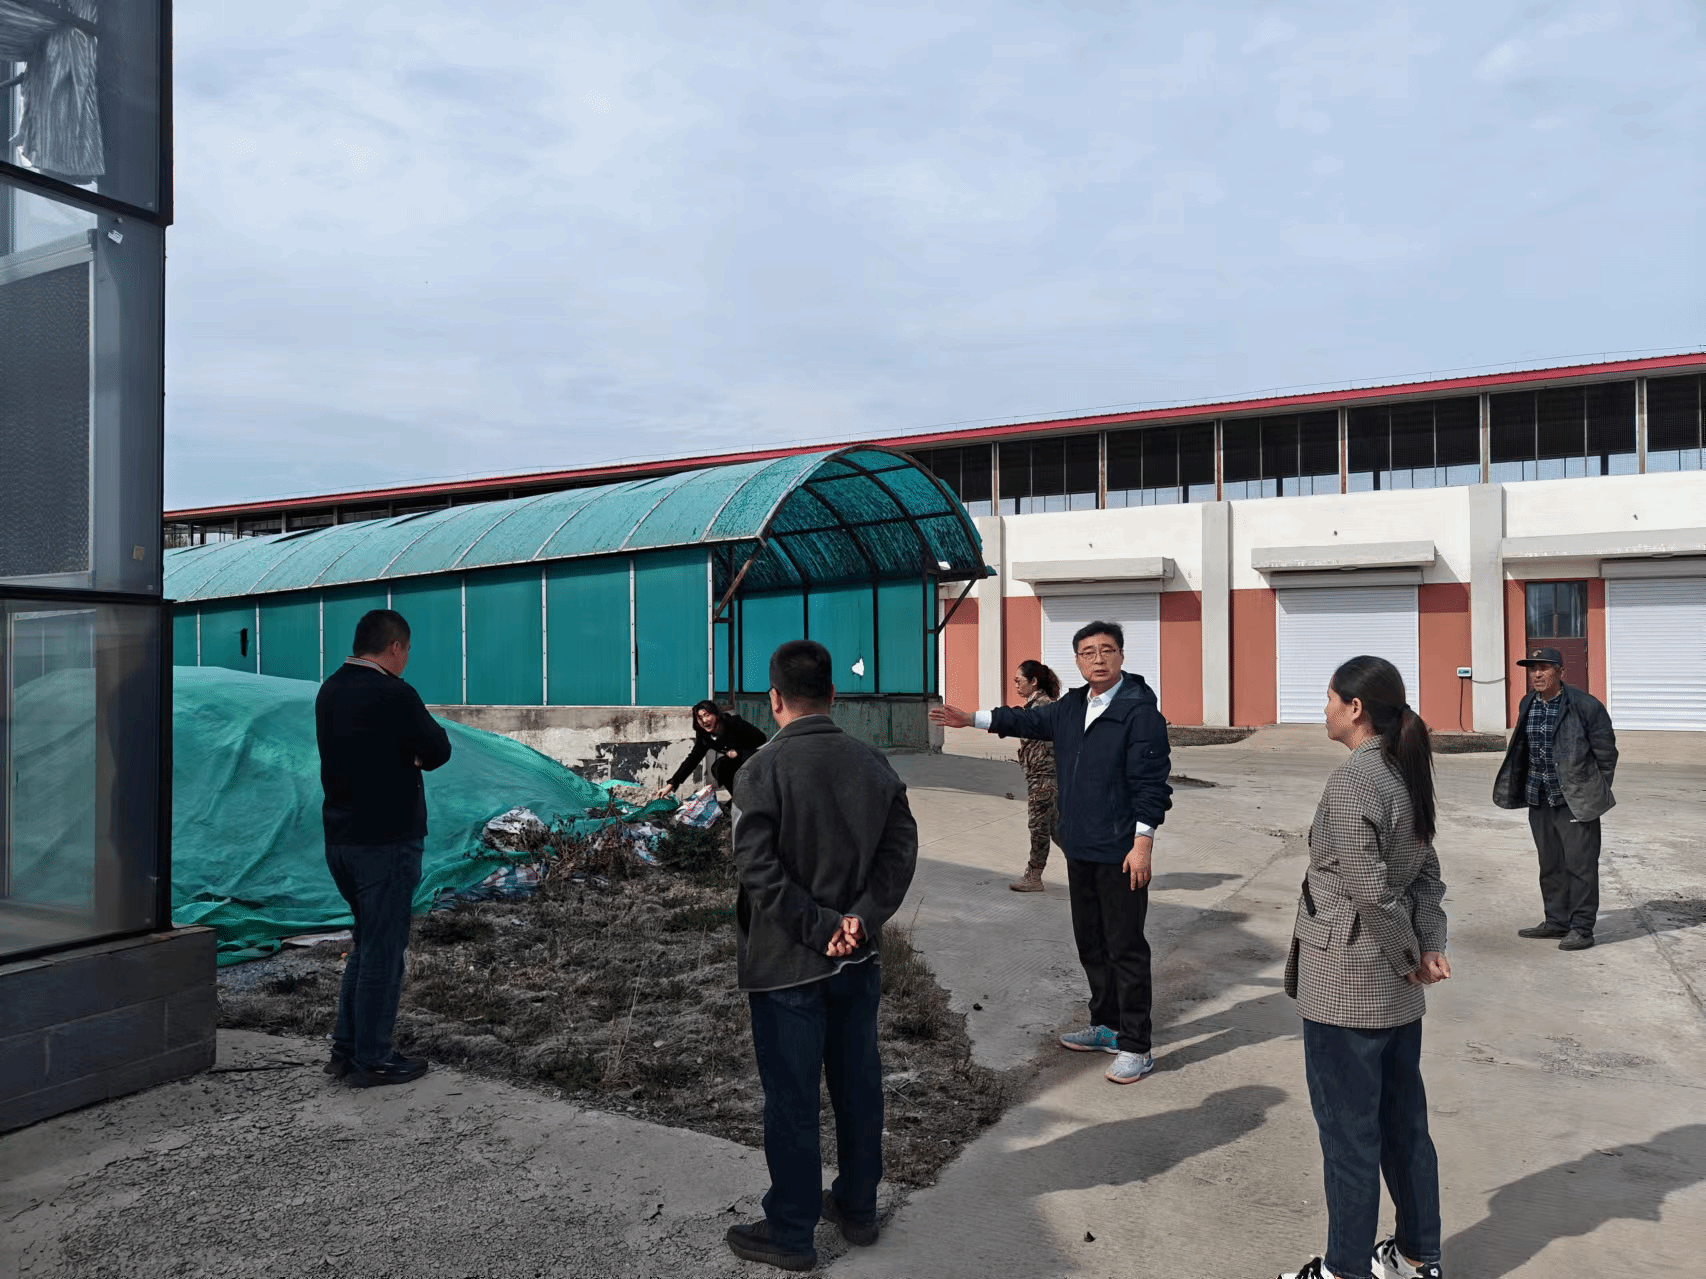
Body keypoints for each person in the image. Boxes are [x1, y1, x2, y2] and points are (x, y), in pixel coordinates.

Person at [724, 640, 919, 1272]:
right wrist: (859, 919)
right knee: (858, 1084)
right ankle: (858, 1207)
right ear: (834, 695)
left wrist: (818, 927)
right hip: (857, 960)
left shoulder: (760, 770)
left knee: (792, 1097)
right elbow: (900, 852)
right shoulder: (872, 762)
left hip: (786, 964)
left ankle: (791, 1231)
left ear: (773, 698)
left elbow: (756, 866)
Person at [930, 620, 1171, 1085]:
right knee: (1092, 943)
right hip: (1080, 847)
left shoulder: (1140, 713)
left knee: (1125, 947)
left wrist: (1143, 844)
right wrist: (971, 718)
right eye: (1087, 652)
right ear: (1077, 661)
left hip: (1120, 851)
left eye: (1106, 650)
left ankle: (1136, 1046)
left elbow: (1151, 783)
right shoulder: (1072, 706)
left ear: (1121, 656)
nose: (1097, 659)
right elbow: (1026, 721)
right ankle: (1106, 1026)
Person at [1277, 655, 1448, 1279]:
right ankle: (1416, 1258)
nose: (1323, 710)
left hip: (1349, 983)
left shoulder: (1355, 781)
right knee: (1405, 1128)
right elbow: (1425, 877)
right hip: (1396, 991)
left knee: (1349, 1138)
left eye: (1329, 698)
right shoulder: (1404, 772)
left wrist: (1410, 958)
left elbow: (1371, 891)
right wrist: (1426, 946)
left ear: (1355, 709)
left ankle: (1344, 1269)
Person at [314, 609, 453, 1089]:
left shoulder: (330, 690)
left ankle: (346, 1048)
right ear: (395, 647)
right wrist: (406, 755)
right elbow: (437, 749)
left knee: (366, 944)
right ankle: (373, 1057)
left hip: (341, 838)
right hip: (387, 841)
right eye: (407, 650)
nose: (407, 658)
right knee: (384, 951)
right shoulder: (394, 694)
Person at [1492, 645, 1618, 952]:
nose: (1537, 674)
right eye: (1532, 669)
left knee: (1580, 866)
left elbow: (1606, 753)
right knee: (1550, 864)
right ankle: (1557, 920)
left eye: (1544, 668)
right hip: (1539, 797)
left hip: (1573, 799)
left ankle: (1582, 928)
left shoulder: (1585, 705)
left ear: (1561, 671)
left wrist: (1591, 790)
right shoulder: (1527, 703)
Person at [1010, 659, 1062, 894]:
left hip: (1044, 778)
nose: (1016, 685)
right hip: (1043, 777)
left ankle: (1033, 876)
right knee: (1057, 829)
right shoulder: (1038, 705)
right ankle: (1091, 867)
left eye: (1019, 681)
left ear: (1033, 681)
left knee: (1039, 828)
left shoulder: (1042, 708)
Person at [654, 699, 768, 800]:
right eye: (699, 718)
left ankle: (752, 799)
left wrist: (739, 752)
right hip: (734, 762)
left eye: (707, 715)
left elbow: (761, 739)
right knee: (718, 767)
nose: (704, 720)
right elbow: (693, 759)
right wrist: (672, 784)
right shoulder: (704, 735)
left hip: (753, 757)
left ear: (716, 714)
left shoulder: (733, 723)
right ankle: (739, 799)